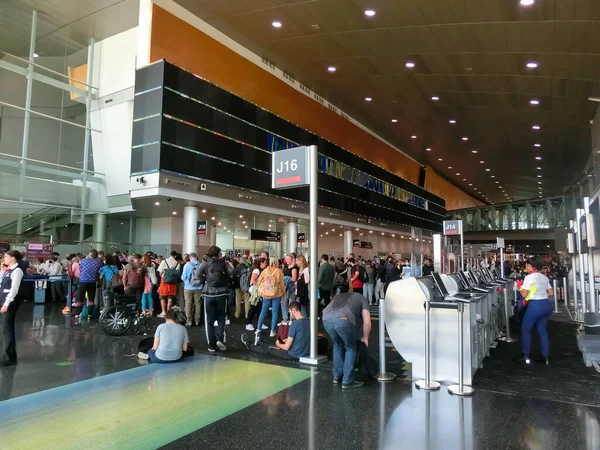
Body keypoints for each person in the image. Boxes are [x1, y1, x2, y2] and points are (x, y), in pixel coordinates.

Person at [322, 292, 372, 390]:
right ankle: (347, 381)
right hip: (343, 319)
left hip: (325, 319)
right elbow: (367, 322)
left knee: (338, 345)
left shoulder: (339, 296)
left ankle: (337, 377)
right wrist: (365, 337)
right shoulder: (362, 299)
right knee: (351, 347)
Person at [516, 256, 554, 365]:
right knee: (542, 330)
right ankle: (545, 356)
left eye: (526, 266)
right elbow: (551, 293)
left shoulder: (529, 278)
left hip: (535, 306)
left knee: (526, 328)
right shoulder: (544, 277)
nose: (526, 268)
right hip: (546, 305)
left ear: (529, 266)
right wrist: (540, 293)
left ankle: (525, 353)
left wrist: (520, 287)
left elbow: (524, 294)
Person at [241, 301, 309, 360]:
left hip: (294, 354)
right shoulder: (309, 322)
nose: (290, 314)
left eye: (290, 311)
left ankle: (249, 346)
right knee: (276, 346)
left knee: (270, 349)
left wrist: (278, 344)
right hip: (305, 352)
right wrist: (288, 341)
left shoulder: (295, 324)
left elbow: (286, 347)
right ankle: (261, 343)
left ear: (293, 311)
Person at [199, 246, 234, 354]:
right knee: (221, 318)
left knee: (209, 321)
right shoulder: (223, 263)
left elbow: (197, 274)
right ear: (219, 254)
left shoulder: (205, 263)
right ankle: (220, 339)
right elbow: (232, 272)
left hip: (208, 294)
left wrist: (205, 281)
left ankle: (211, 346)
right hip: (221, 294)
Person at [0, 251, 24, 366]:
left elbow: (14, 289)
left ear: (13, 258)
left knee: (7, 328)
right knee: (5, 328)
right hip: (3, 300)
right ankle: (10, 356)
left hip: (9, 302)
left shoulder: (17, 271)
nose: (3, 258)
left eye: (6, 257)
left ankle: (8, 357)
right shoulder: (7, 270)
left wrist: (7, 303)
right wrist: (2, 271)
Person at [255, 257, 286, 341]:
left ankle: (258, 328)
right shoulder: (279, 271)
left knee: (263, 311)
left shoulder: (265, 271)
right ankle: (272, 331)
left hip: (266, 294)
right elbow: (282, 284)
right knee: (275, 312)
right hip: (277, 293)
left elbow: (258, 281)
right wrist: (284, 294)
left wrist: (262, 288)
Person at [75, 249, 103, 318]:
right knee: (91, 298)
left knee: (80, 298)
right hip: (92, 282)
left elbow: (80, 269)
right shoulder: (98, 262)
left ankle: (77, 313)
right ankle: (89, 314)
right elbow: (99, 271)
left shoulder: (84, 260)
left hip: (83, 281)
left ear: (89, 254)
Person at [181, 253, 203, 327]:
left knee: (188, 304)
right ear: (196, 257)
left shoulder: (187, 265)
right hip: (199, 287)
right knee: (198, 304)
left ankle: (189, 321)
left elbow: (183, 277)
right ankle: (197, 320)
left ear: (190, 257)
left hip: (188, 287)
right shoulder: (201, 265)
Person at [157, 251, 180, 318]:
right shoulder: (177, 263)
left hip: (164, 281)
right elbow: (177, 274)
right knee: (170, 297)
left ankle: (163, 312)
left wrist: (164, 276)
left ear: (170, 255)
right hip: (173, 282)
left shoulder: (164, 261)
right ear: (175, 256)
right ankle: (168, 311)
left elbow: (160, 273)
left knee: (162, 297)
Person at [246, 257, 267, 331]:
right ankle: (249, 323)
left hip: (260, 291)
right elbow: (253, 280)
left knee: (259, 308)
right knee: (253, 307)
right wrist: (260, 285)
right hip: (256, 291)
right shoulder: (257, 270)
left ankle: (259, 322)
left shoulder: (261, 270)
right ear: (261, 263)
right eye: (265, 263)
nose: (266, 264)